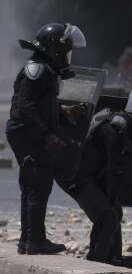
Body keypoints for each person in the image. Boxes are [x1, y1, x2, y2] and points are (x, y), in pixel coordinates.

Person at [5, 23, 87, 254]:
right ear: (56, 49)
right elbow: (27, 108)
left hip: (25, 132)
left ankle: (27, 240)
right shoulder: (38, 70)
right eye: (67, 50)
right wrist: (46, 136)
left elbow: (40, 106)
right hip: (27, 133)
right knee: (38, 186)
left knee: (31, 186)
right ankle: (35, 242)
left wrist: (63, 112)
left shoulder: (43, 69)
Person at [73, 90, 132, 268]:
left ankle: (113, 259)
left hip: (93, 177)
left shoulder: (121, 128)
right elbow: (115, 171)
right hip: (80, 179)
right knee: (108, 218)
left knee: (114, 211)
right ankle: (97, 265)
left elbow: (118, 171)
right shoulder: (114, 131)